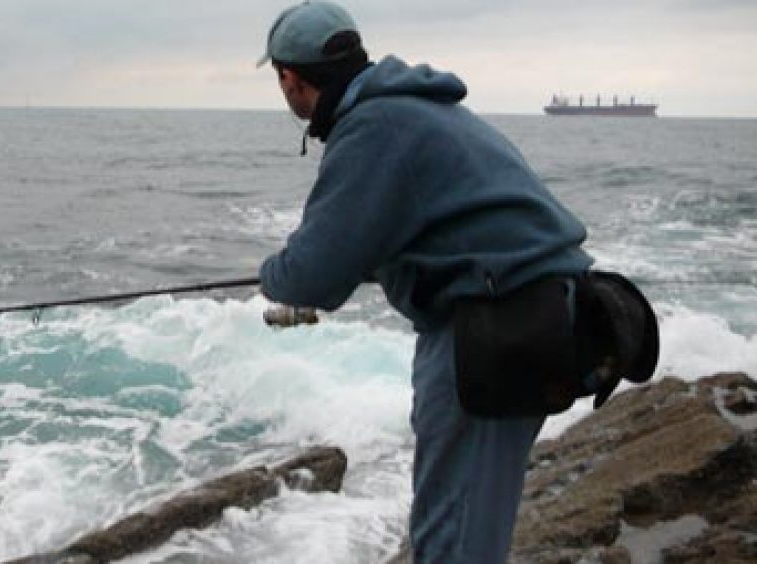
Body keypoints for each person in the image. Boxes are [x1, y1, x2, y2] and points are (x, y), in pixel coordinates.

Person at [254, 2, 599, 562]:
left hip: (494, 331)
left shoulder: (373, 127)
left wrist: (274, 273)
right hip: (545, 314)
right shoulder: (423, 109)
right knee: (474, 519)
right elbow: (446, 220)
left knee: (453, 532)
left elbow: (309, 275)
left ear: (289, 77)